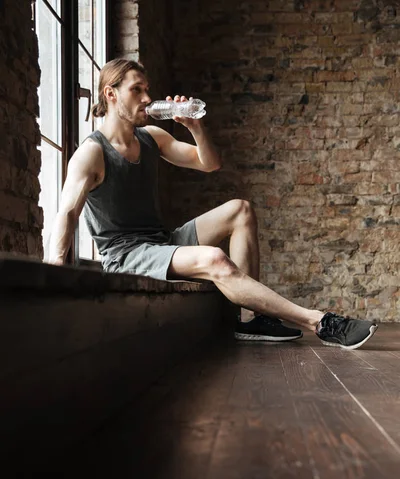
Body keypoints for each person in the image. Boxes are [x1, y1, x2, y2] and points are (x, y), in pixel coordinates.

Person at [48, 58, 378, 350]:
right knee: (217, 260)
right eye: (137, 90)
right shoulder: (92, 153)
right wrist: (54, 285)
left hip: (161, 243)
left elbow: (209, 163)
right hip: (127, 255)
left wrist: (195, 127)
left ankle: (251, 321)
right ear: (111, 94)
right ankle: (319, 322)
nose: (148, 98)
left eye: (148, 89)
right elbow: (66, 215)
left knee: (241, 209)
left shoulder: (151, 137)